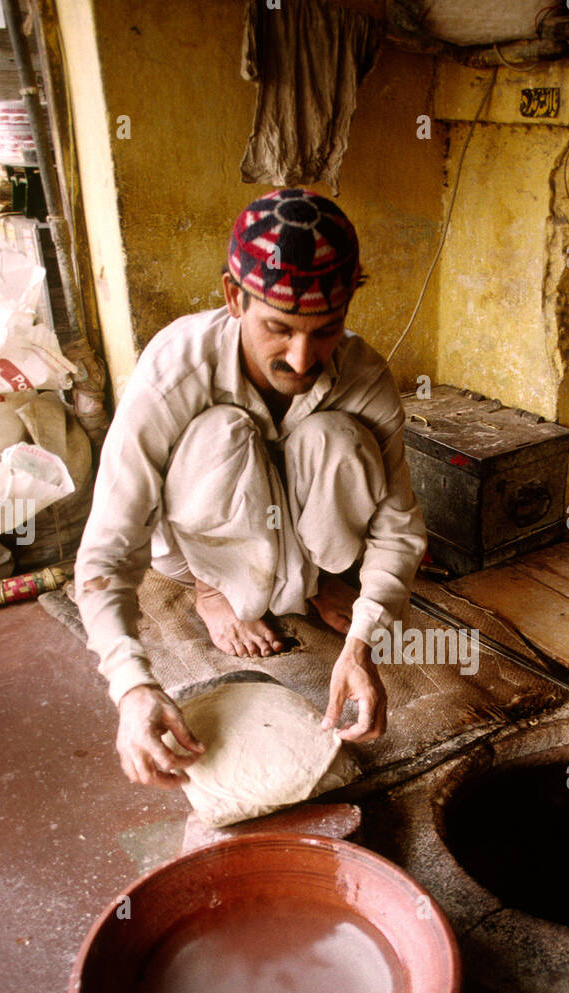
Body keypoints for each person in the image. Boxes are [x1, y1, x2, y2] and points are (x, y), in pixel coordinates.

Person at [74, 188, 426, 788]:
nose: (302, 357)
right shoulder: (175, 368)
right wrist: (132, 685)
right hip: (206, 549)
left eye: (327, 330)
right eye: (279, 328)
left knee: (336, 437)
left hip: (309, 544)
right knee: (221, 432)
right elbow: (109, 546)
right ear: (235, 298)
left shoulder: (365, 374)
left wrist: (364, 644)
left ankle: (317, 584)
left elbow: (398, 527)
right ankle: (215, 592)